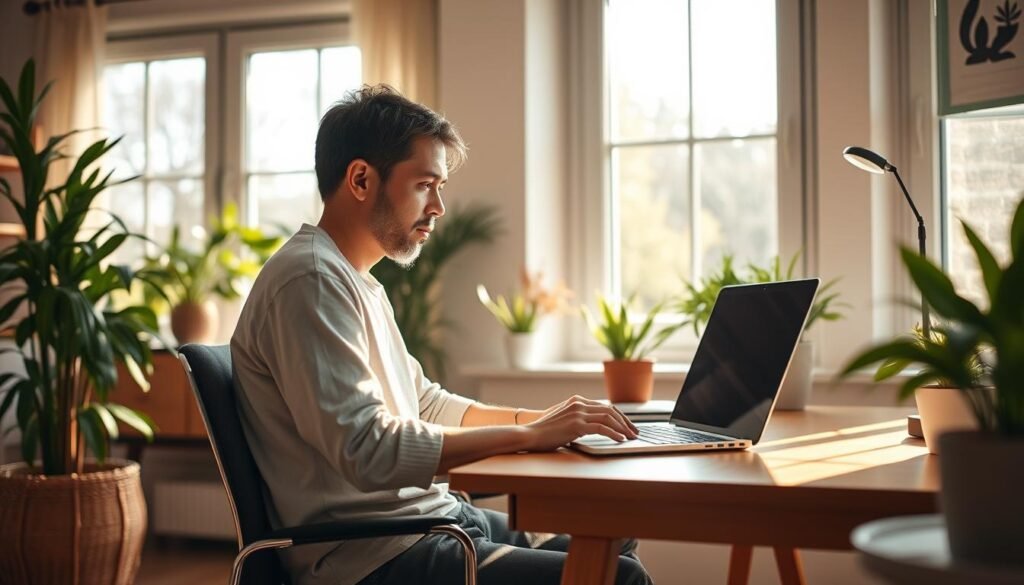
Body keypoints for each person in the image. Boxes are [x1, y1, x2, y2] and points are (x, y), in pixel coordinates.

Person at [231, 85, 653, 585]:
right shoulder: (311, 281)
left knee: (613, 537)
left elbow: (424, 404)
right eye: (424, 185)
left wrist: (545, 420)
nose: (439, 207)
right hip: (372, 554)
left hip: (429, 521)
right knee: (620, 579)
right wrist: (530, 436)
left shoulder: (356, 281)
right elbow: (367, 449)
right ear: (362, 179)